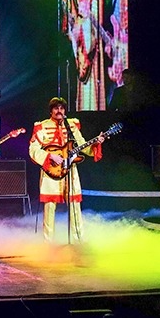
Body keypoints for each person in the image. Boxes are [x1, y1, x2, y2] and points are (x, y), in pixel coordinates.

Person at [28, 97, 99, 243]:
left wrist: (95, 144)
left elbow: (82, 145)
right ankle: (48, 243)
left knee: (74, 204)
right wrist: (50, 156)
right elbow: (33, 149)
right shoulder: (42, 126)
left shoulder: (71, 125)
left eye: (61, 108)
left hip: (70, 170)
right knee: (50, 207)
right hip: (51, 170)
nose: (59, 111)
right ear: (51, 110)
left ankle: (78, 240)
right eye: (56, 108)